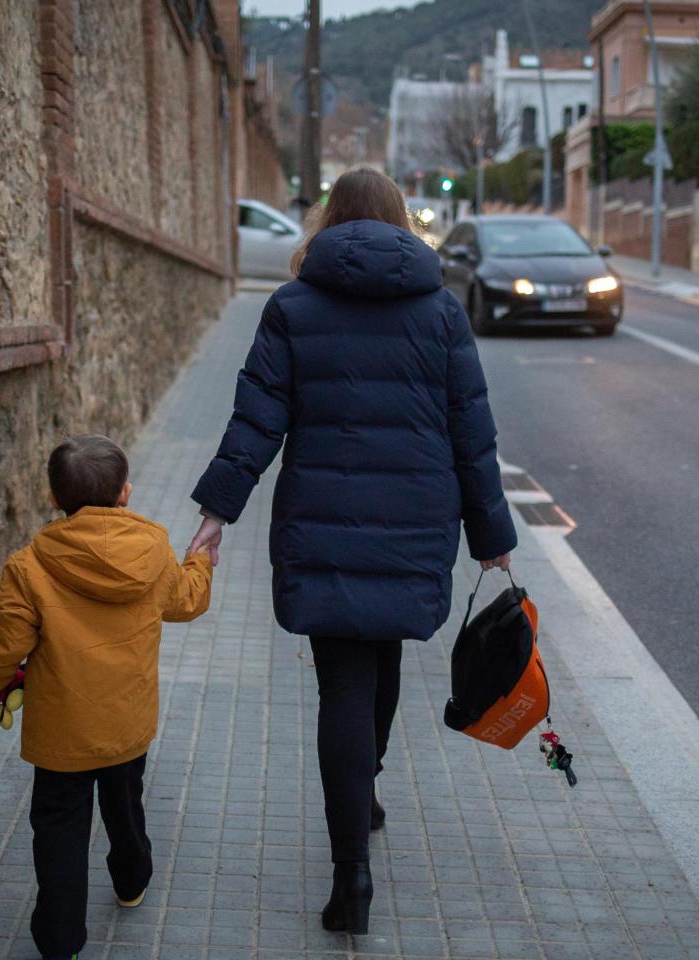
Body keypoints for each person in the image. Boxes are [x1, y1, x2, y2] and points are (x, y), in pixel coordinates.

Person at [185, 168, 516, 935]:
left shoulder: (293, 306)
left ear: (328, 220)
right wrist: (491, 538)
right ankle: (363, 789)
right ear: (403, 222)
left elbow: (256, 419)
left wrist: (215, 511)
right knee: (386, 653)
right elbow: (473, 430)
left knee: (342, 683)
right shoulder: (440, 311)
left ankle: (350, 882)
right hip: (414, 516)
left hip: (323, 516)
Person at [0, 434, 213, 960]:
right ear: (124, 493)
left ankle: (61, 941)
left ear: (54, 499)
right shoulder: (152, 551)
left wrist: (0, 681)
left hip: (61, 734)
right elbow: (188, 602)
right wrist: (199, 561)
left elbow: (3, 650)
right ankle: (131, 879)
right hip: (126, 724)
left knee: (59, 830)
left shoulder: (28, 566)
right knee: (124, 802)